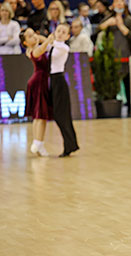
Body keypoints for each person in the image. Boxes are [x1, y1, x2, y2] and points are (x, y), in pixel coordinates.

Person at [97, 0, 131, 116]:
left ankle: (130, 109)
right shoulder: (108, 18)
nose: (119, 4)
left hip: (125, 56)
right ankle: (112, 110)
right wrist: (107, 24)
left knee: (127, 84)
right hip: (110, 57)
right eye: (116, 2)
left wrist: (121, 25)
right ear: (112, 5)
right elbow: (97, 31)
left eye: (121, 2)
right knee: (111, 83)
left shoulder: (129, 19)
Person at [20, 28, 54, 156]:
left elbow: (47, 43)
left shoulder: (33, 48)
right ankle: (37, 142)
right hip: (39, 82)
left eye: (33, 33)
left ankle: (39, 143)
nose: (34, 36)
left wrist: (41, 38)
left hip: (40, 81)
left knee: (40, 115)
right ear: (25, 43)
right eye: (30, 36)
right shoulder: (34, 50)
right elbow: (46, 45)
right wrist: (48, 38)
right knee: (39, 115)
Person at [50, 23, 79, 157]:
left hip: (59, 81)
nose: (60, 33)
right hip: (53, 81)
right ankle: (70, 144)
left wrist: (45, 39)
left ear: (67, 36)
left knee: (62, 115)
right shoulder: (52, 45)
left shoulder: (64, 48)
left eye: (63, 32)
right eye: (58, 30)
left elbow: (54, 45)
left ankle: (70, 145)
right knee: (58, 115)